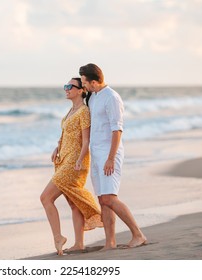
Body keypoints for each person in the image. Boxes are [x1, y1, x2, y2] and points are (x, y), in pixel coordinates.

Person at [79, 63, 147, 250]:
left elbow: (117, 130)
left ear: (94, 81)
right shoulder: (93, 97)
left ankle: (138, 234)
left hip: (110, 154)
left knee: (109, 197)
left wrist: (110, 157)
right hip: (96, 152)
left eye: (84, 82)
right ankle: (110, 242)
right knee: (102, 199)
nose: (83, 85)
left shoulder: (112, 98)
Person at [40, 77, 103, 255]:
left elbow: (85, 141)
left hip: (75, 162)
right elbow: (67, 135)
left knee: (45, 197)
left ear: (81, 90)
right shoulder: (70, 110)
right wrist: (57, 147)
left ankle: (58, 237)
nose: (66, 89)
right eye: (65, 86)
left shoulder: (83, 111)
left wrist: (79, 160)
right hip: (63, 159)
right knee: (74, 204)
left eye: (70, 86)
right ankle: (79, 244)